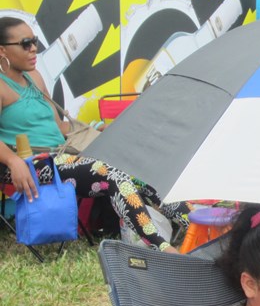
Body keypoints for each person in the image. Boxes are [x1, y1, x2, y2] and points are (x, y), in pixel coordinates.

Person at [0, 17, 190, 252]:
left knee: (137, 169)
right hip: (31, 162)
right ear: (2, 50)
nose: (33, 49)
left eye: (35, 41)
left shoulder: (34, 78)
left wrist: (95, 129)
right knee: (110, 174)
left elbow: (60, 128)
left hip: (63, 154)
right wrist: (12, 160)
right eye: (26, 43)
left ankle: (195, 225)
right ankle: (161, 247)